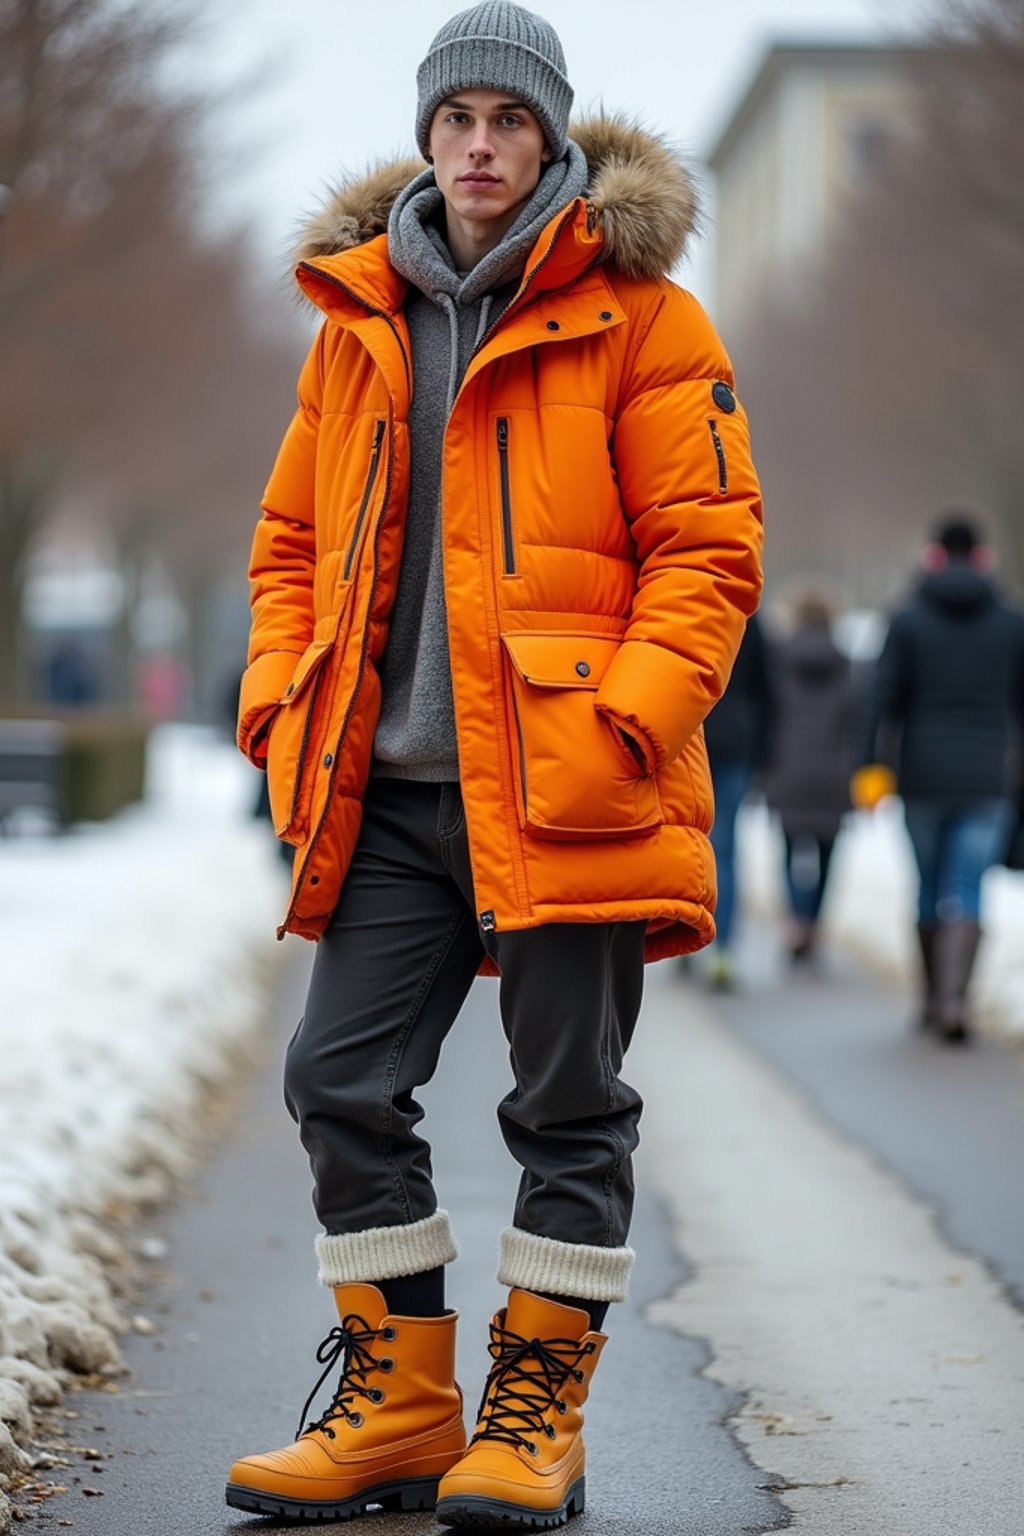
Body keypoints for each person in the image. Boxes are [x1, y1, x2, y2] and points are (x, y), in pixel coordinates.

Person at [229, 4, 763, 1527]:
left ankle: (536, 1421)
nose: (479, 144)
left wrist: (628, 721)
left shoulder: (647, 318)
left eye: (508, 122)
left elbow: (709, 550)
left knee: (569, 1106)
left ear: (549, 143)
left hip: (571, 784)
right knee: (337, 1081)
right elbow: (285, 547)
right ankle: (400, 1410)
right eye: (455, 119)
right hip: (393, 795)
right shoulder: (355, 328)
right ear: (426, 139)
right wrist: (282, 699)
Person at [855, 516, 1024, 1043]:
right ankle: (957, 1001)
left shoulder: (906, 619)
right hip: (986, 778)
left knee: (928, 886)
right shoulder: (1012, 622)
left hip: (922, 775)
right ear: (981, 558)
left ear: (932, 556)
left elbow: (880, 700)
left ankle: (933, 1000)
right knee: (969, 888)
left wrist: (870, 766)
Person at [765, 591, 855, 963]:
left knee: (788, 851)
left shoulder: (778, 663)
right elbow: (856, 722)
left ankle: (797, 921)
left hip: (787, 771)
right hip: (834, 776)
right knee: (828, 855)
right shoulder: (849, 665)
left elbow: (769, 717)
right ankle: (814, 923)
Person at [701, 613, 774, 986]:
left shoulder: (680, 597)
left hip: (689, 734)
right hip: (737, 742)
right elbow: (766, 690)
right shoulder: (747, 612)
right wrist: (764, 755)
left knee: (692, 842)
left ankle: (687, 935)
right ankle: (723, 948)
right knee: (726, 849)